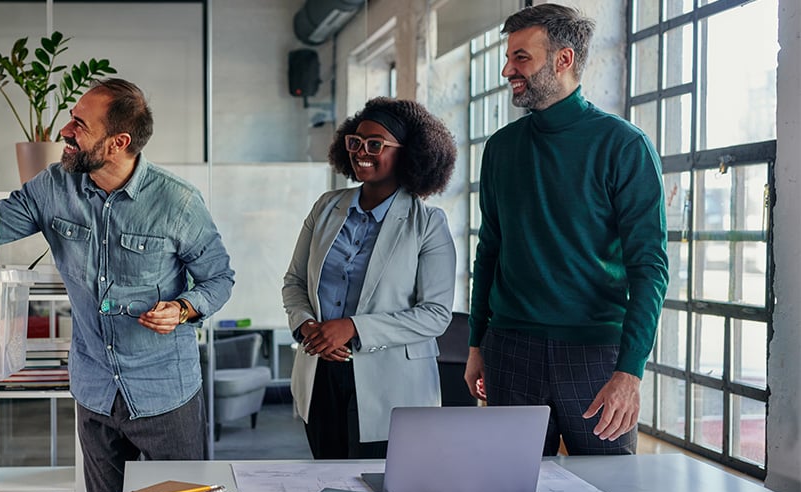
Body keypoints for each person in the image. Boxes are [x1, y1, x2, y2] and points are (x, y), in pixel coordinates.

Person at [0, 78, 235, 492]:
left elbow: (219, 278)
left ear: (118, 142)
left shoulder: (178, 203)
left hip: (166, 394)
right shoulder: (53, 186)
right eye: (71, 119)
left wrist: (183, 308)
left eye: (79, 125)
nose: (65, 132)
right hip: (95, 391)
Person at [464, 3, 669, 456]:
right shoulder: (500, 149)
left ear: (563, 59)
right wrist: (477, 342)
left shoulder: (624, 146)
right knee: (508, 487)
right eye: (509, 57)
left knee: (611, 489)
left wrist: (629, 372)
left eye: (521, 57)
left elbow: (650, 268)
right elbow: (489, 252)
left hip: (595, 358)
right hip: (511, 351)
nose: (507, 69)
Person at [283, 97, 458, 459]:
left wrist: (353, 328)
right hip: (321, 373)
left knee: (379, 487)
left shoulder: (427, 224)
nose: (362, 151)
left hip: (391, 383)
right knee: (328, 481)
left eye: (375, 144)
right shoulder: (327, 207)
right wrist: (307, 327)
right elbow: (295, 282)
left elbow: (436, 314)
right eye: (355, 142)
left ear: (409, 153)